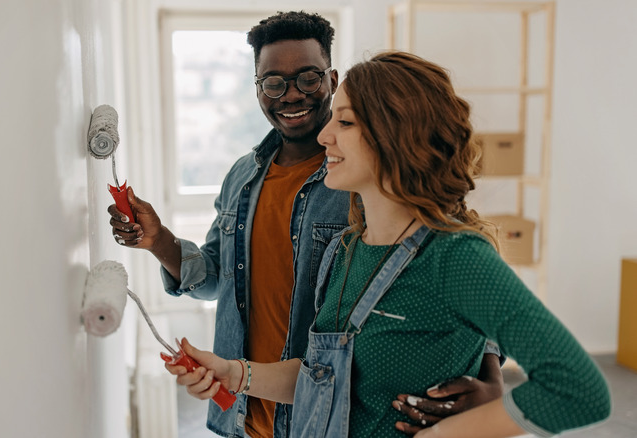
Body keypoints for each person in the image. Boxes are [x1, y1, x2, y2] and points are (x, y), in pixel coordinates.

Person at [164, 51, 612, 437]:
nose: (324, 136)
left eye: (345, 121)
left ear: (394, 134)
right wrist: (234, 374)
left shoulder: (453, 256)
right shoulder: (345, 250)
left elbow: (579, 390)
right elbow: (324, 378)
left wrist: (451, 432)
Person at [110, 11, 503, 438]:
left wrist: (493, 381)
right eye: (274, 83)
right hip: (245, 410)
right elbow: (217, 279)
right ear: (258, 88)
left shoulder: (363, 177)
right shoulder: (242, 176)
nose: (291, 95)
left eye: (309, 79)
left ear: (332, 79)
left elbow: (454, 272)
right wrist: (159, 241)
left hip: (328, 416)